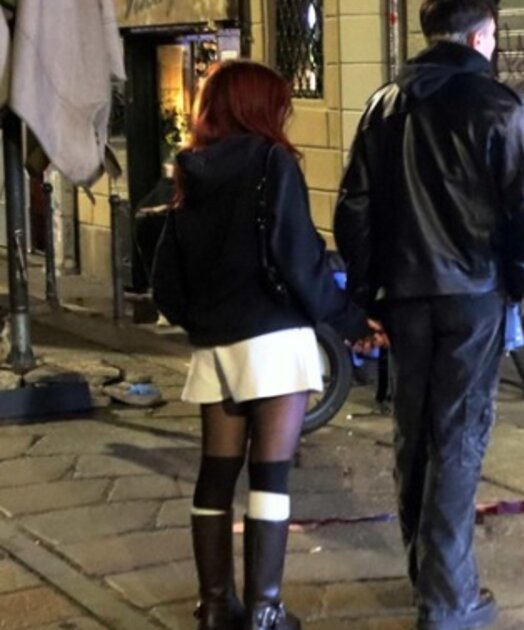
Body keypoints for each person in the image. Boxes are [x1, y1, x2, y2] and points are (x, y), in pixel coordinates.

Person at [333, 1, 524, 628]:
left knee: (414, 432)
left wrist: (367, 292)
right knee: (457, 436)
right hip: (474, 294)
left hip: (404, 295)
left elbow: (354, 208)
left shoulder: (384, 106)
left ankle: (426, 574)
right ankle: (447, 599)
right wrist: (519, 286)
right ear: (481, 38)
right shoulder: (501, 107)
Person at [152, 60, 380, 630]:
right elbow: (299, 260)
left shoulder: (188, 170)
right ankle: (264, 610)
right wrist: (351, 320)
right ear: (260, 108)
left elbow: (165, 282)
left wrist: (204, 322)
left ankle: (214, 606)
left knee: (215, 473)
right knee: (270, 473)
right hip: (274, 341)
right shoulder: (272, 163)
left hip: (216, 348)